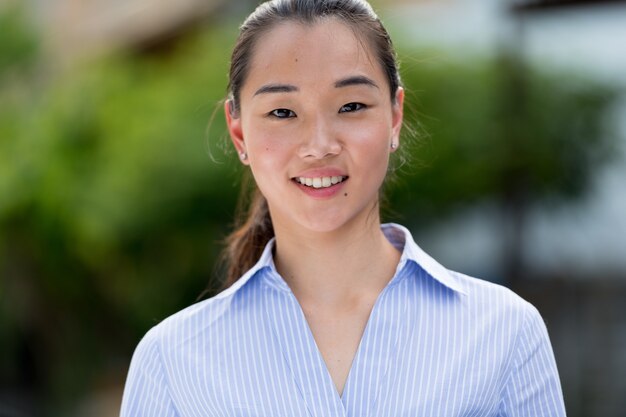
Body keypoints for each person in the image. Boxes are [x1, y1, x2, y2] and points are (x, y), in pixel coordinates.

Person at [120, 0, 567, 416]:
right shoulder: (173, 361)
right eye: (282, 113)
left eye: (351, 106)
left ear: (394, 116)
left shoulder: (503, 332)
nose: (319, 146)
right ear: (239, 134)